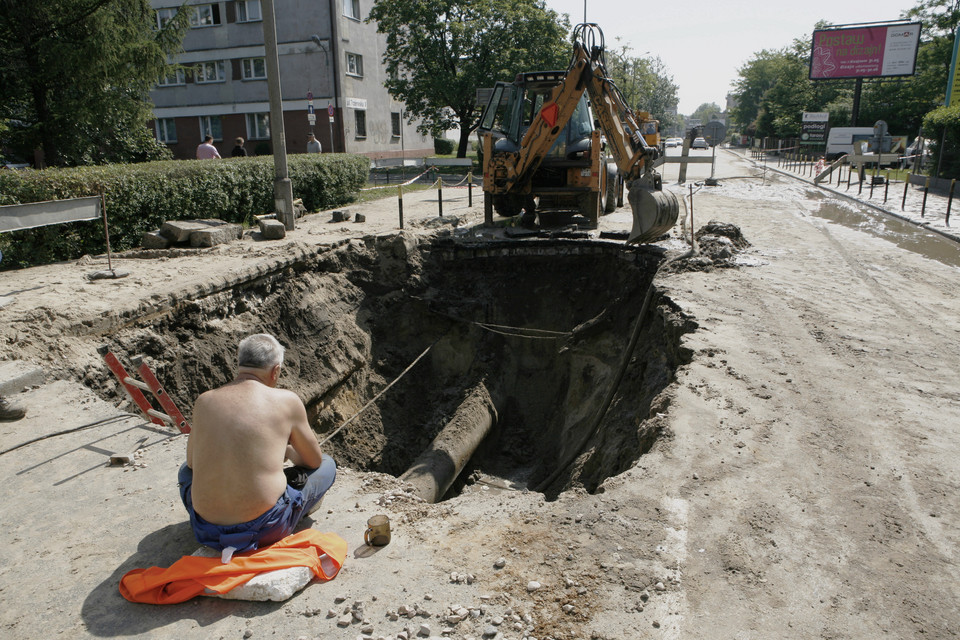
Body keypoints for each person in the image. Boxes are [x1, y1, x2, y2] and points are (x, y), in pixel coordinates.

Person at [178, 334, 336, 557]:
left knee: (184, 471)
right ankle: (300, 510)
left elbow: (193, 464)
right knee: (328, 465)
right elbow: (314, 461)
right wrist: (288, 451)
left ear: (239, 364)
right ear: (276, 370)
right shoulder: (286, 401)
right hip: (266, 528)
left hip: (206, 529)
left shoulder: (204, 400)